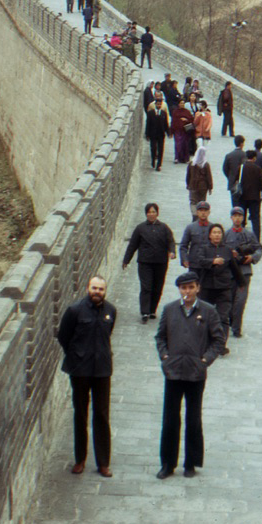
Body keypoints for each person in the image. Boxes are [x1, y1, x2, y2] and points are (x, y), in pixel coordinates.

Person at [154, 272, 225, 480]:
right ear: (179, 290)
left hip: (196, 373)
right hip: (173, 372)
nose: (187, 292)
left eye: (191, 288)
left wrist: (205, 360)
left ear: (197, 288)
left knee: (193, 419)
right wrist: (165, 357)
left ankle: (191, 463)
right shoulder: (169, 310)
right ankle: (167, 463)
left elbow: (218, 340)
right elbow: (160, 337)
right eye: (183, 288)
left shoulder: (209, 311)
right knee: (170, 419)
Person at [57, 275, 116, 477]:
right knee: (80, 414)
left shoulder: (110, 311)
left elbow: (108, 334)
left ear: (104, 291)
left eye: (100, 289)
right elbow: (63, 336)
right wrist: (76, 355)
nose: (97, 292)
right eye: (94, 288)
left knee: (101, 414)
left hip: (102, 370)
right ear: (87, 288)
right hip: (80, 370)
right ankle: (80, 459)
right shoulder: (75, 310)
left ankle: (103, 463)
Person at [196, 224, 246, 354]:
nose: (217, 235)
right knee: (204, 316)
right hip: (207, 288)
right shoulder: (204, 248)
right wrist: (213, 261)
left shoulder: (227, 250)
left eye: (219, 232)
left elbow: (235, 268)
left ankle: (220, 344)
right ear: (209, 235)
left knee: (223, 317)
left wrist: (241, 284)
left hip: (224, 288)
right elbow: (200, 261)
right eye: (214, 232)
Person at [122, 203, 176, 323]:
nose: (151, 214)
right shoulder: (140, 228)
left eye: (153, 212)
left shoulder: (164, 228)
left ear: (157, 213)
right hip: (145, 262)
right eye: (149, 212)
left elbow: (171, 241)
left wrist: (172, 252)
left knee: (157, 287)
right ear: (146, 214)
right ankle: (145, 312)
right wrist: (126, 260)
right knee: (146, 287)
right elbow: (133, 245)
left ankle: (152, 310)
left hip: (160, 262)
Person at [225, 207, 262, 338]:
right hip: (229, 273)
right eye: (234, 216)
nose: (237, 218)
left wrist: (252, 258)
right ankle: (231, 321)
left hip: (244, 272)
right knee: (229, 300)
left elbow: (258, 249)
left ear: (243, 218)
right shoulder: (226, 234)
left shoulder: (249, 234)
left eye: (239, 216)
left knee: (240, 301)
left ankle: (236, 328)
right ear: (231, 217)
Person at [239, 150, 262, 242]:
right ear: (254, 158)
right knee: (255, 219)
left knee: (241, 218)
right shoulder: (258, 169)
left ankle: (241, 239)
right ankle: (256, 240)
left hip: (242, 196)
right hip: (254, 197)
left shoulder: (241, 168)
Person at [180, 201, 214, 269]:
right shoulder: (190, 227)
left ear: (209, 212)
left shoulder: (213, 228)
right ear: (197, 212)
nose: (203, 213)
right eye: (201, 210)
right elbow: (183, 246)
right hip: (194, 264)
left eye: (205, 210)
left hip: (209, 264)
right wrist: (184, 259)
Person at [186, 147, 213, 219]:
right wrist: (210, 187)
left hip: (193, 186)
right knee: (201, 201)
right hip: (203, 187)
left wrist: (188, 184)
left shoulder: (191, 164)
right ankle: (201, 215)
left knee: (193, 201)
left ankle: (194, 215)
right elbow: (209, 177)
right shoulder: (206, 164)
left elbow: (188, 175)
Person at [145, 98, 171, 171]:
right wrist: (147, 134)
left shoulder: (163, 113)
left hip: (161, 134)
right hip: (153, 134)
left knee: (161, 149)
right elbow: (148, 124)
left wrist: (168, 132)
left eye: (160, 104)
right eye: (158, 104)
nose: (159, 105)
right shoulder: (150, 113)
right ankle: (153, 160)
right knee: (153, 148)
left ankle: (159, 165)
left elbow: (166, 124)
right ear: (155, 104)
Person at [222, 135, 246, 204]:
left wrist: (230, 176)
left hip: (232, 182)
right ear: (241, 144)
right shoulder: (244, 155)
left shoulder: (229, 155)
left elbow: (224, 169)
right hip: (243, 182)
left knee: (234, 202)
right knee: (242, 202)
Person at [171, 99, 193, 164]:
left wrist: (186, 120)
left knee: (185, 144)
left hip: (185, 131)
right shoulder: (175, 112)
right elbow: (173, 121)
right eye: (181, 103)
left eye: (183, 103)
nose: (182, 105)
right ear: (178, 104)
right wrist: (171, 130)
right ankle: (177, 157)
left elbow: (191, 120)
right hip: (177, 131)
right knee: (178, 144)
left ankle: (185, 159)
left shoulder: (187, 112)